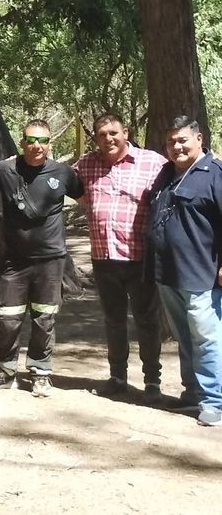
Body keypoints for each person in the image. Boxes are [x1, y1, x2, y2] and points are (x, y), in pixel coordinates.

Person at [0, 120, 84, 397]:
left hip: (51, 261)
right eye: (31, 140)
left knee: (44, 318)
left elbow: (85, 197)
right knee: (8, 318)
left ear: (50, 144)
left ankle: (40, 372)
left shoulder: (63, 172)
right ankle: (4, 370)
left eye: (43, 140)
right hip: (14, 261)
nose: (37, 146)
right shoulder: (4, 170)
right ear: (22, 142)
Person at [73, 113, 165, 401]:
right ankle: (117, 377)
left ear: (126, 132)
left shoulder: (153, 163)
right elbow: (57, 178)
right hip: (104, 259)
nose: (108, 139)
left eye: (113, 132)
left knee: (147, 320)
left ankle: (152, 382)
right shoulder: (86, 165)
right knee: (113, 321)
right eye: (102, 134)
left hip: (140, 258)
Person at [147, 117, 222, 426]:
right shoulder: (166, 174)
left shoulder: (214, 175)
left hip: (200, 274)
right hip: (168, 274)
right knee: (185, 337)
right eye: (170, 142)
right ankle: (194, 394)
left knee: (206, 338)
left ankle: (215, 402)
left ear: (199, 139)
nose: (176, 146)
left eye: (182, 140)